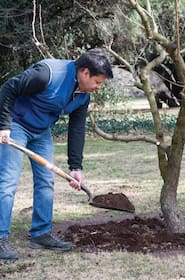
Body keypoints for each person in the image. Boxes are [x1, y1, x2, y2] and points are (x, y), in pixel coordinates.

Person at [0, 48, 113, 260]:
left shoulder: (83, 95)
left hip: (41, 130)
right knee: (7, 182)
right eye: (98, 82)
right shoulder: (48, 73)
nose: (99, 87)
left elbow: (77, 128)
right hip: (15, 125)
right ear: (85, 72)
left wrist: (75, 167)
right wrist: (3, 125)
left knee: (46, 181)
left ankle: (41, 234)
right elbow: (8, 89)